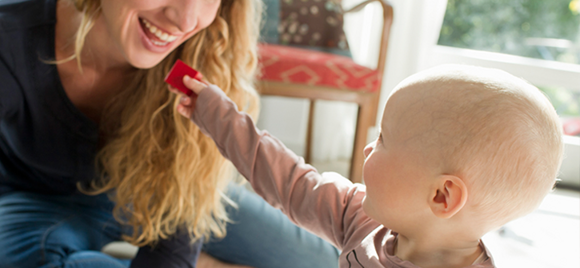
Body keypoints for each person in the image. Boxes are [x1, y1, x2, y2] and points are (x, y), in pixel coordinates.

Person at [0, 0, 339, 267]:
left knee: (326, 261)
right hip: (37, 201)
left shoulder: (204, 50)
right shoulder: (10, 37)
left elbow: (180, 203)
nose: (185, 20)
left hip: (156, 190)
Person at [173, 64, 564, 268]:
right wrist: (213, 110)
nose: (366, 148)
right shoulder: (363, 219)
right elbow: (285, 178)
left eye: (383, 140)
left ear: (442, 195)